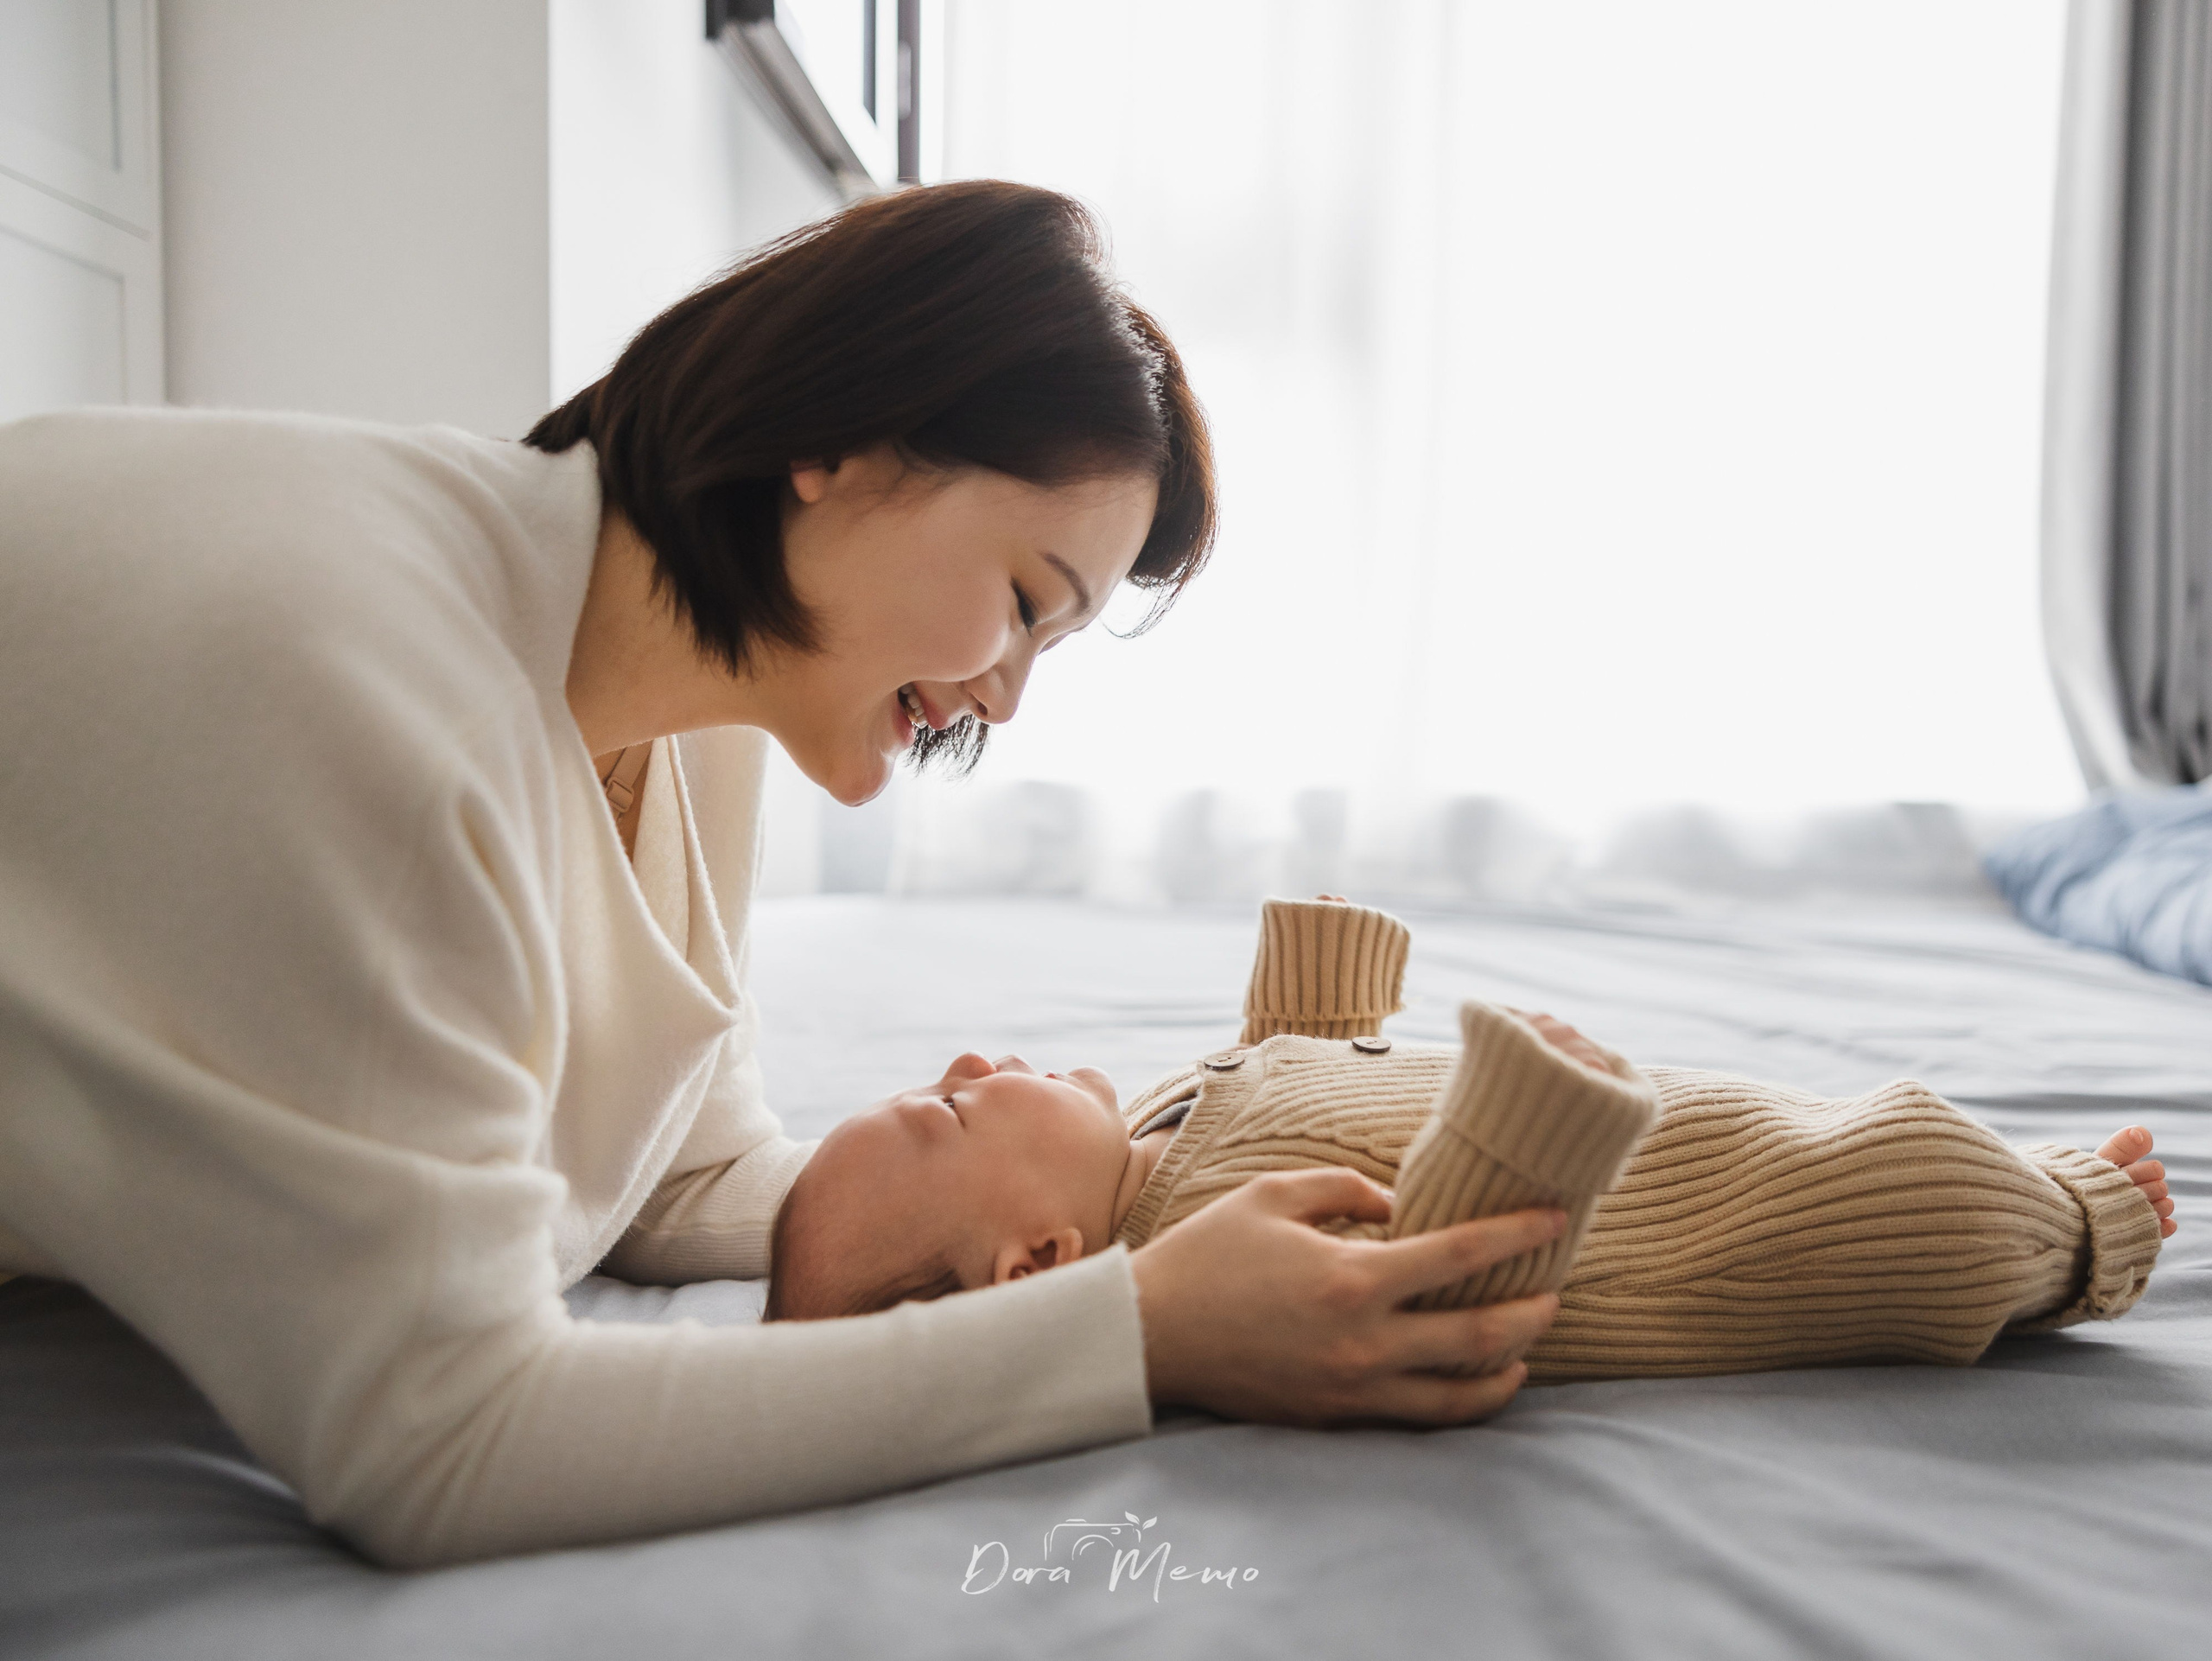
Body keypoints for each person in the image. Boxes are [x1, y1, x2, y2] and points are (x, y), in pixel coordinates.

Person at [0, 182, 1567, 1570]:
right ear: (840, 443)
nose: (1007, 696)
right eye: (1026, 600)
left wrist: (1058, 1196)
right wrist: (1138, 1330)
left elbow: (676, 1173)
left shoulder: (689, 696)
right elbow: (437, 1440)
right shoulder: (397, 717)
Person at [766, 899, 2172, 1380]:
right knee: (1909, 1176)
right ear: (1039, 1264)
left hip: (1667, 1121)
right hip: (1730, 1220)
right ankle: (2080, 1228)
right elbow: (1427, 1276)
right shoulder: (1214, 1256)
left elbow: (1285, 1077)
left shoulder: (1142, 1136)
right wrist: (1521, 1125)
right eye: (945, 1108)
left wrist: (1317, 986)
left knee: (1800, 1117)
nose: (961, 1062)